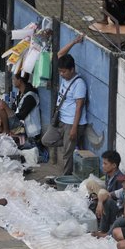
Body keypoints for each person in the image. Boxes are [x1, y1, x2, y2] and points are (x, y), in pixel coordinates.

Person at [41, 34, 87, 175]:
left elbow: (79, 107)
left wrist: (73, 129)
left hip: (72, 123)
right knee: (46, 140)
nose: (61, 74)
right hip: (61, 120)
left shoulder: (79, 84)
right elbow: (60, 54)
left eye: (64, 71)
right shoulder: (65, 76)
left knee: (67, 154)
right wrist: (74, 42)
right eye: (60, 71)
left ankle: (65, 179)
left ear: (72, 70)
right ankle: (72, 144)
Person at [0, 72, 41, 138]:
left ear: (20, 81)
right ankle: (0, 125)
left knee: (1, 104)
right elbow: (14, 108)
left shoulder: (30, 96)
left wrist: (5, 116)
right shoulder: (20, 92)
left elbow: (21, 116)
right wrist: (2, 117)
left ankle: (5, 131)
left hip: (24, 127)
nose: (12, 80)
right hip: (16, 119)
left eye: (14, 79)